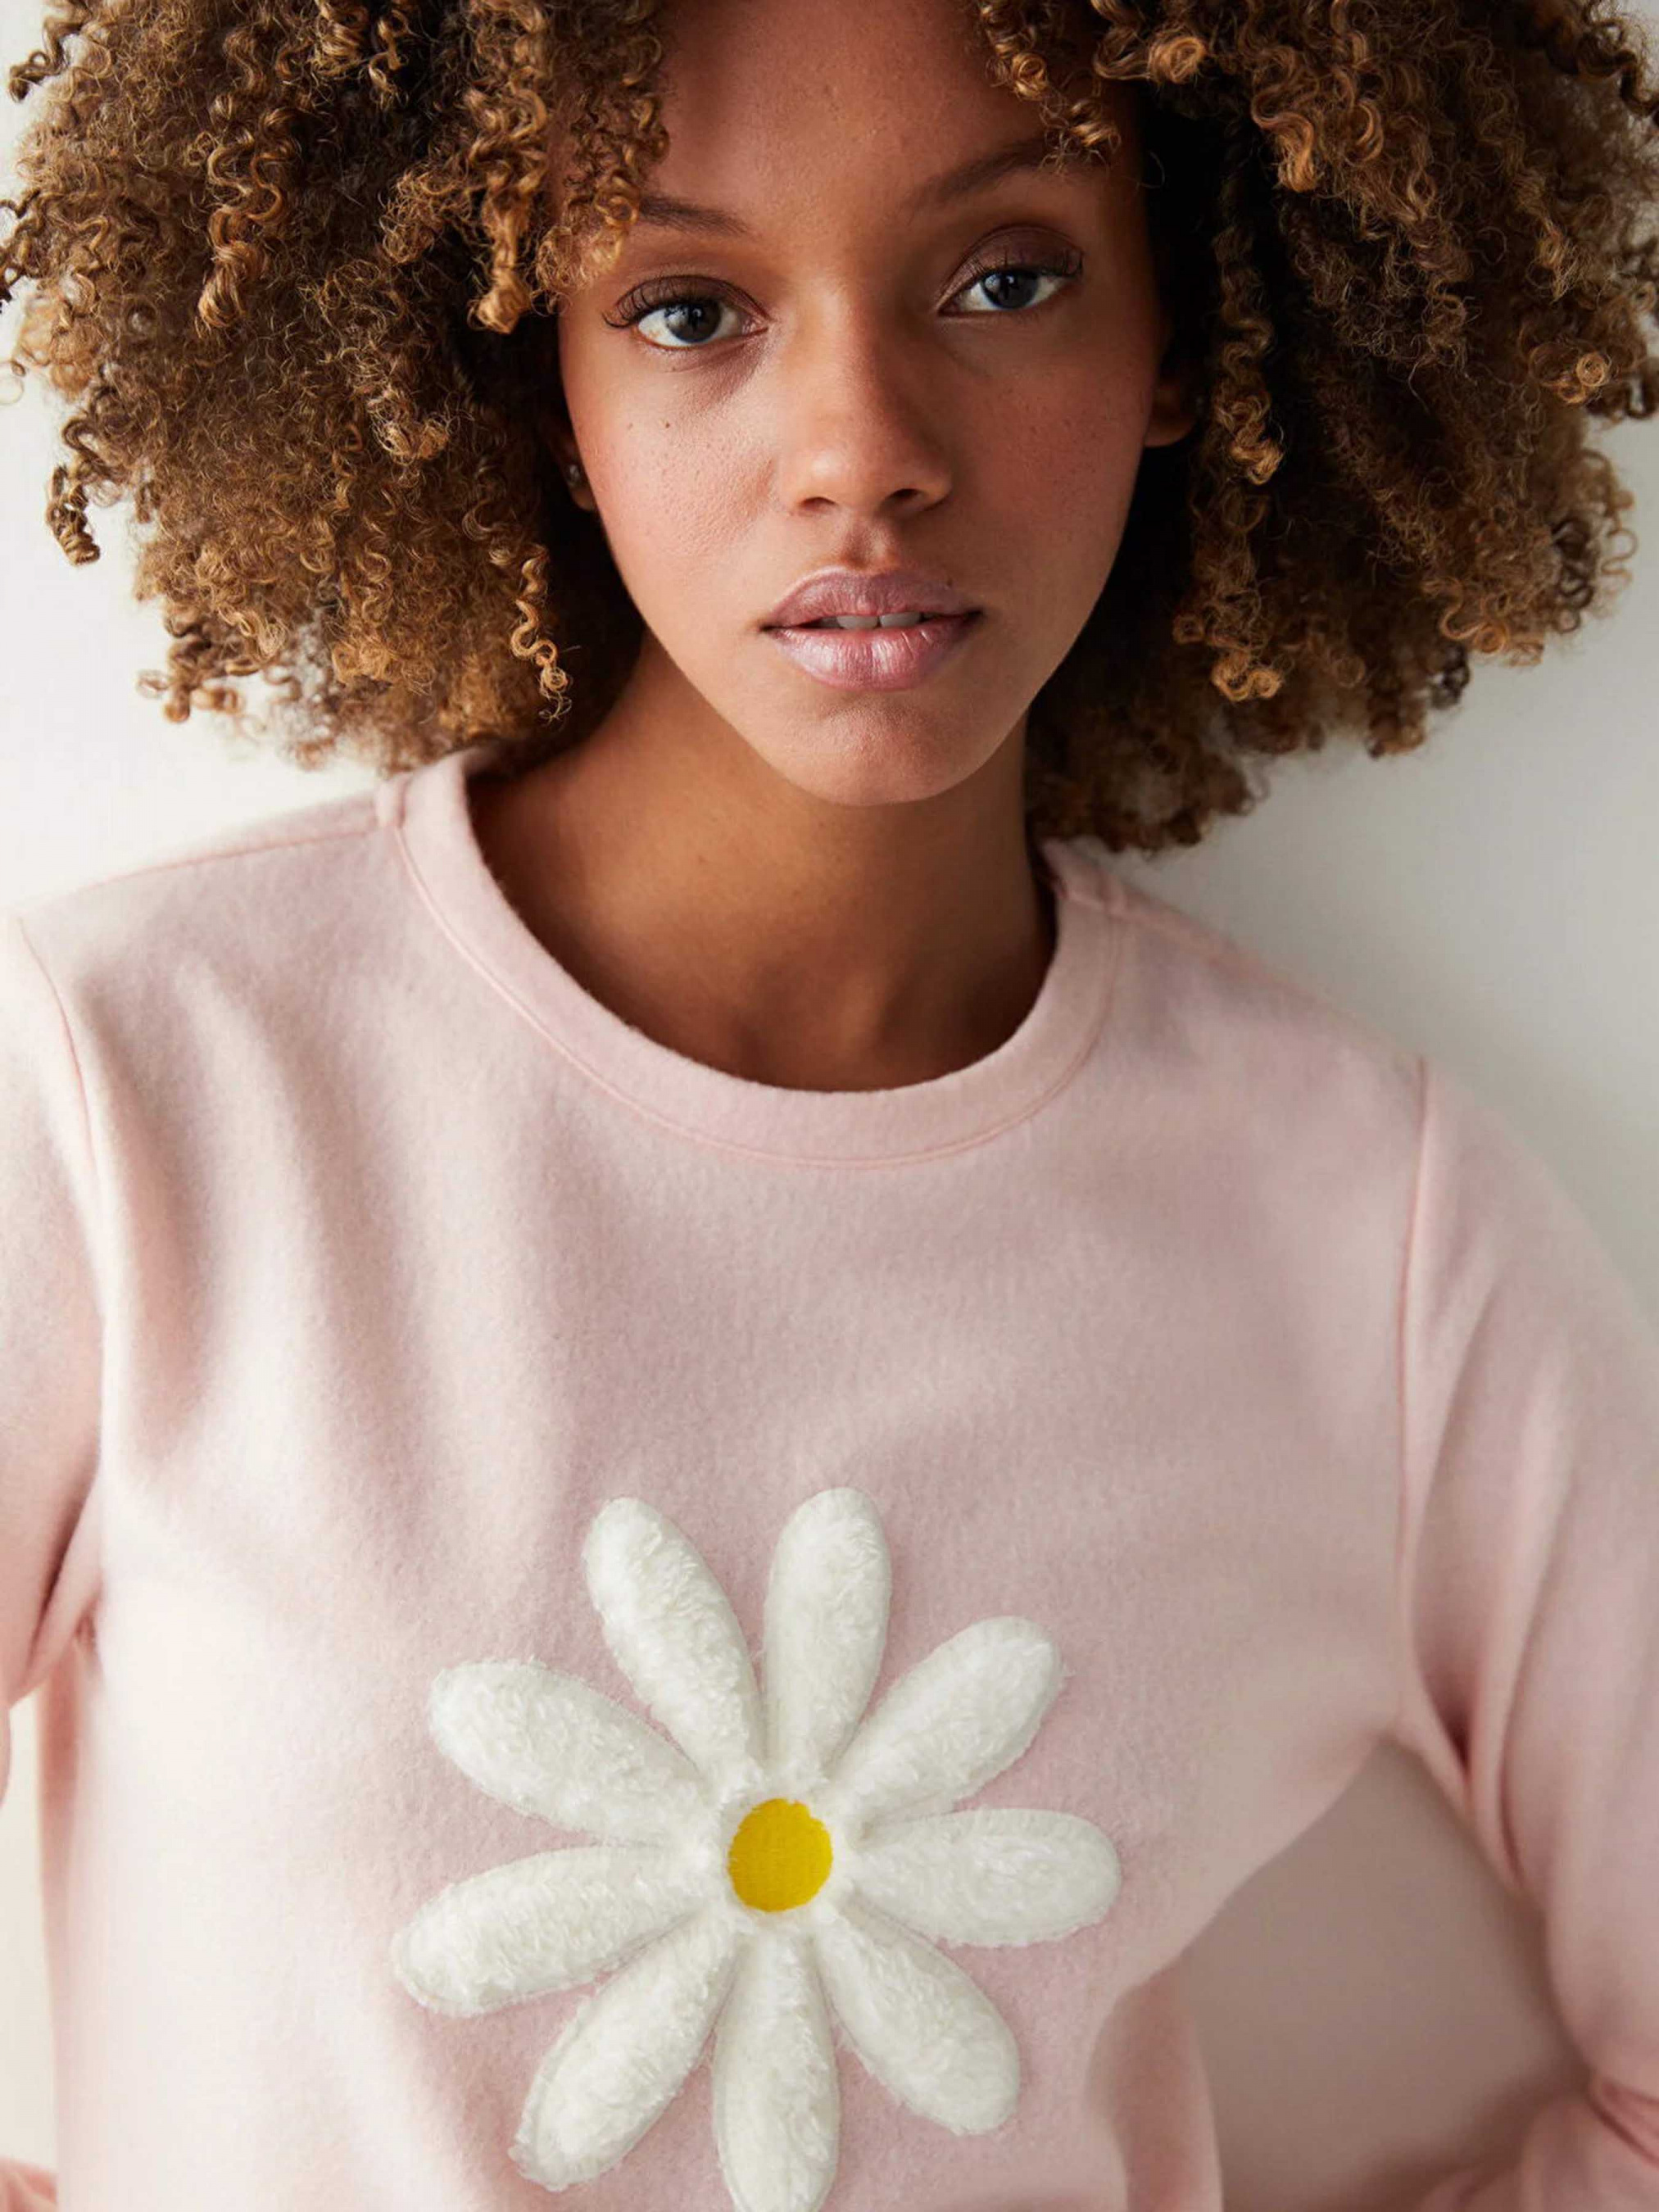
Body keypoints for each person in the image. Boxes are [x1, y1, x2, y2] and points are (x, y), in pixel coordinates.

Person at [1, 0, 1657, 2205]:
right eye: (689, 309)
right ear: (542, 380)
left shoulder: (1380, 1233)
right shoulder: (130, 1091)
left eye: (1006, 279)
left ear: (1185, 328)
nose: (859, 447)